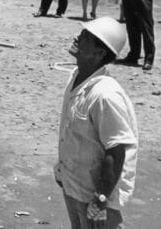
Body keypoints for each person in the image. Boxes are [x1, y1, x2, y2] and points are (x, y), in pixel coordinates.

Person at [54, 17, 138, 229]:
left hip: (97, 194)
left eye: (85, 38)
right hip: (75, 185)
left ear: (100, 52)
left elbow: (116, 151)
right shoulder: (77, 77)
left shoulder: (105, 95)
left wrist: (101, 198)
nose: (77, 38)